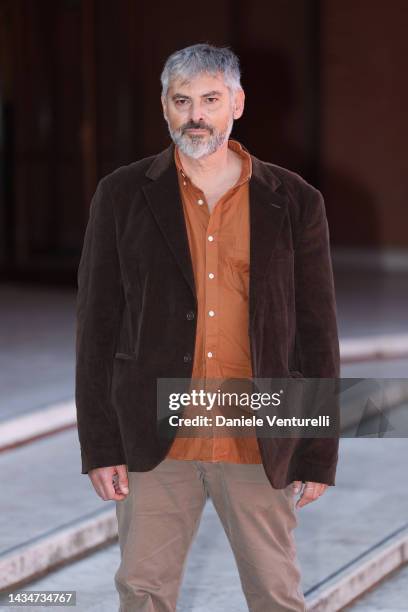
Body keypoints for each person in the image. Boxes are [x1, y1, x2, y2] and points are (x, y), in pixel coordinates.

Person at [75, 43, 340, 612]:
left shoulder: (294, 201)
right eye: (182, 100)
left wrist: (318, 451)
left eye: (211, 99)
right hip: (154, 441)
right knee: (143, 595)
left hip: (257, 434)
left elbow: (317, 332)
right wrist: (100, 444)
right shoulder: (121, 195)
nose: (196, 114)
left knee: (276, 596)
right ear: (165, 108)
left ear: (237, 104)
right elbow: (96, 326)